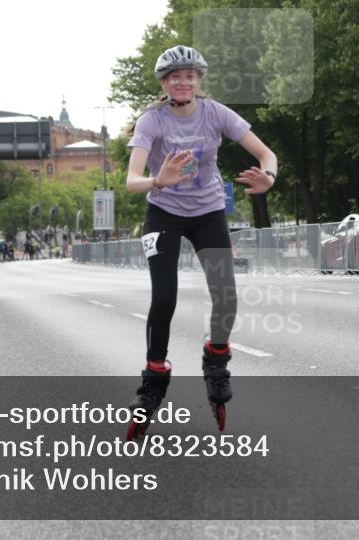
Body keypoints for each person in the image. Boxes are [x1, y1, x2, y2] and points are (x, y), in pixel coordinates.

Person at [123, 44, 277, 437]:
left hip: (207, 212)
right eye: (175, 76)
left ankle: (216, 359)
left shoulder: (216, 113)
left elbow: (266, 154)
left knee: (226, 294)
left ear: (198, 80)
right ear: (164, 83)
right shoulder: (151, 121)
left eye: (189, 75)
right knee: (164, 297)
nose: (183, 81)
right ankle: (153, 377)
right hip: (163, 213)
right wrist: (159, 180)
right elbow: (131, 181)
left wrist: (268, 178)